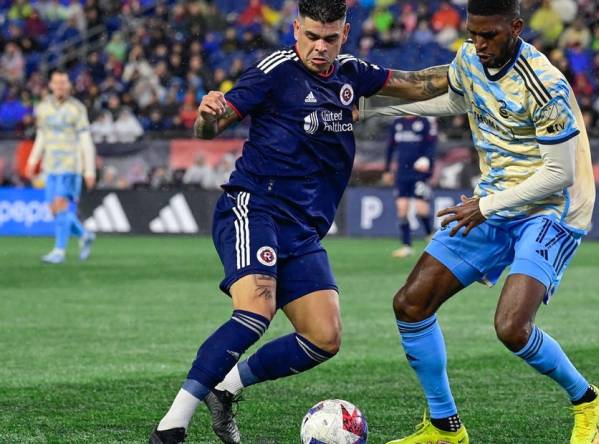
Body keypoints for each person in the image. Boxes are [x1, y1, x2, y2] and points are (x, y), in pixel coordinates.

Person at [149, 0, 450, 442]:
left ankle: (227, 388)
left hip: (304, 230)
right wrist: (207, 118)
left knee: (323, 338)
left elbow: (416, 85)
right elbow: (212, 126)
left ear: (344, 35)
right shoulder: (274, 71)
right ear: (296, 30)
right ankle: (171, 427)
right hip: (255, 207)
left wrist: (476, 66)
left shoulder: (352, 74)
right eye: (311, 37)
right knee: (255, 311)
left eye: (330, 38)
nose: (320, 48)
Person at [362, 0, 599, 442]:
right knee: (411, 304)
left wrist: (484, 207)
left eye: (489, 35)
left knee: (512, 327)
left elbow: (559, 174)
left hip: (552, 209)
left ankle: (587, 400)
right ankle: (445, 427)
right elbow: (451, 98)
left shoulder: (545, 84)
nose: (478, 43)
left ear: (515, 28)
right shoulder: (471, 57)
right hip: (495, 199)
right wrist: (371, 109)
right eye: (473, 33)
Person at [25, 70, 96, 264]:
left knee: (61, 204)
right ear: (51, 85)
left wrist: (89, 170)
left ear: (69, 86)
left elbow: (85, 140)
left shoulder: (77, 109)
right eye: (57, 83)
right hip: (50, 166)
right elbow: (41, 136)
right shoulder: (42, 108)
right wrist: (32, 161)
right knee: (55, 210)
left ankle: (59, 251)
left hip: (70, 165)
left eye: (64, 83)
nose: (60, 86)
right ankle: (84, 235)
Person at [384, 116, 437, 258]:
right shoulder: (397, 123)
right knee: (402, 209)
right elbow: (390, 147)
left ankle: (430, 236)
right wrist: (387, 169)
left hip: (420, 174)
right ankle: (406, 246)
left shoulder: (424, 122)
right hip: (402, 173)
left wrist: (427, 160)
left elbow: (431, 145)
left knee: (421, 209)